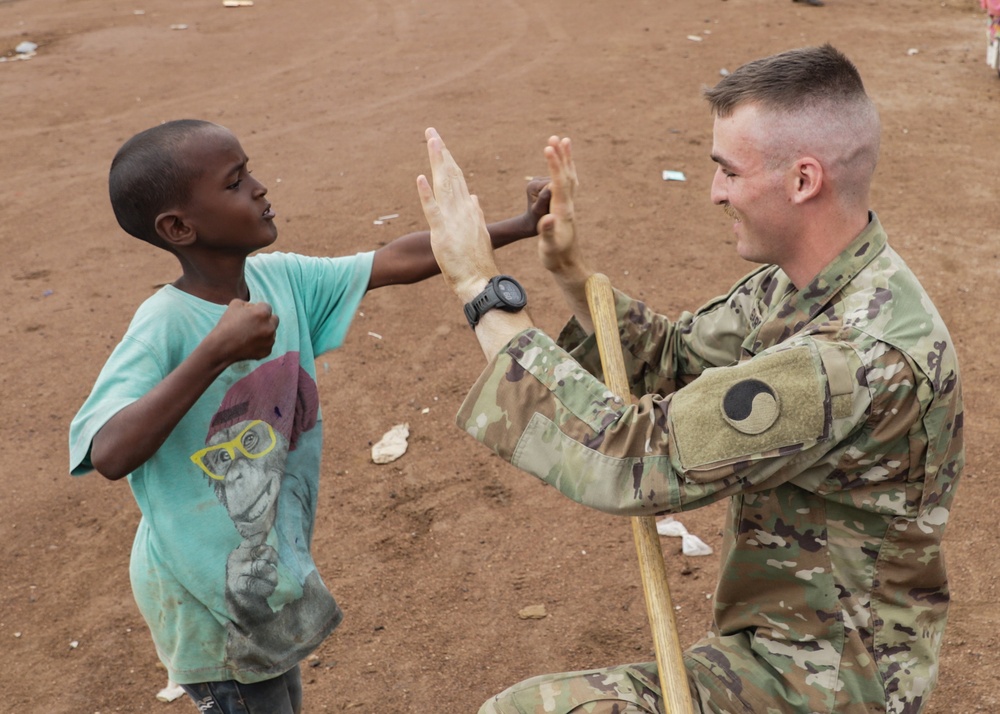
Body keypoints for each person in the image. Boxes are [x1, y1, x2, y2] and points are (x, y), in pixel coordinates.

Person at [416, 43, 964, 714]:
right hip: (788, 644)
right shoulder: (812, 285)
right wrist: (571, 274)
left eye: (729, 172)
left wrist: (479, 288)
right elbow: (674, 358)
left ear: (802, 181)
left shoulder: (851, 356)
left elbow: (625, 455)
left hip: (823, 685)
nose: (714, 193)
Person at [67, 119, 549, 714]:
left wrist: (517, 228)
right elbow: (110, 452)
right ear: (178, 227)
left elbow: (393, 259)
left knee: (281, 696)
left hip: (262, 576)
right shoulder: (163, 324)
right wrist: (212, 353)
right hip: (203, 596)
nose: (261, 188)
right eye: (237, 182)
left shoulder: (279, 279)